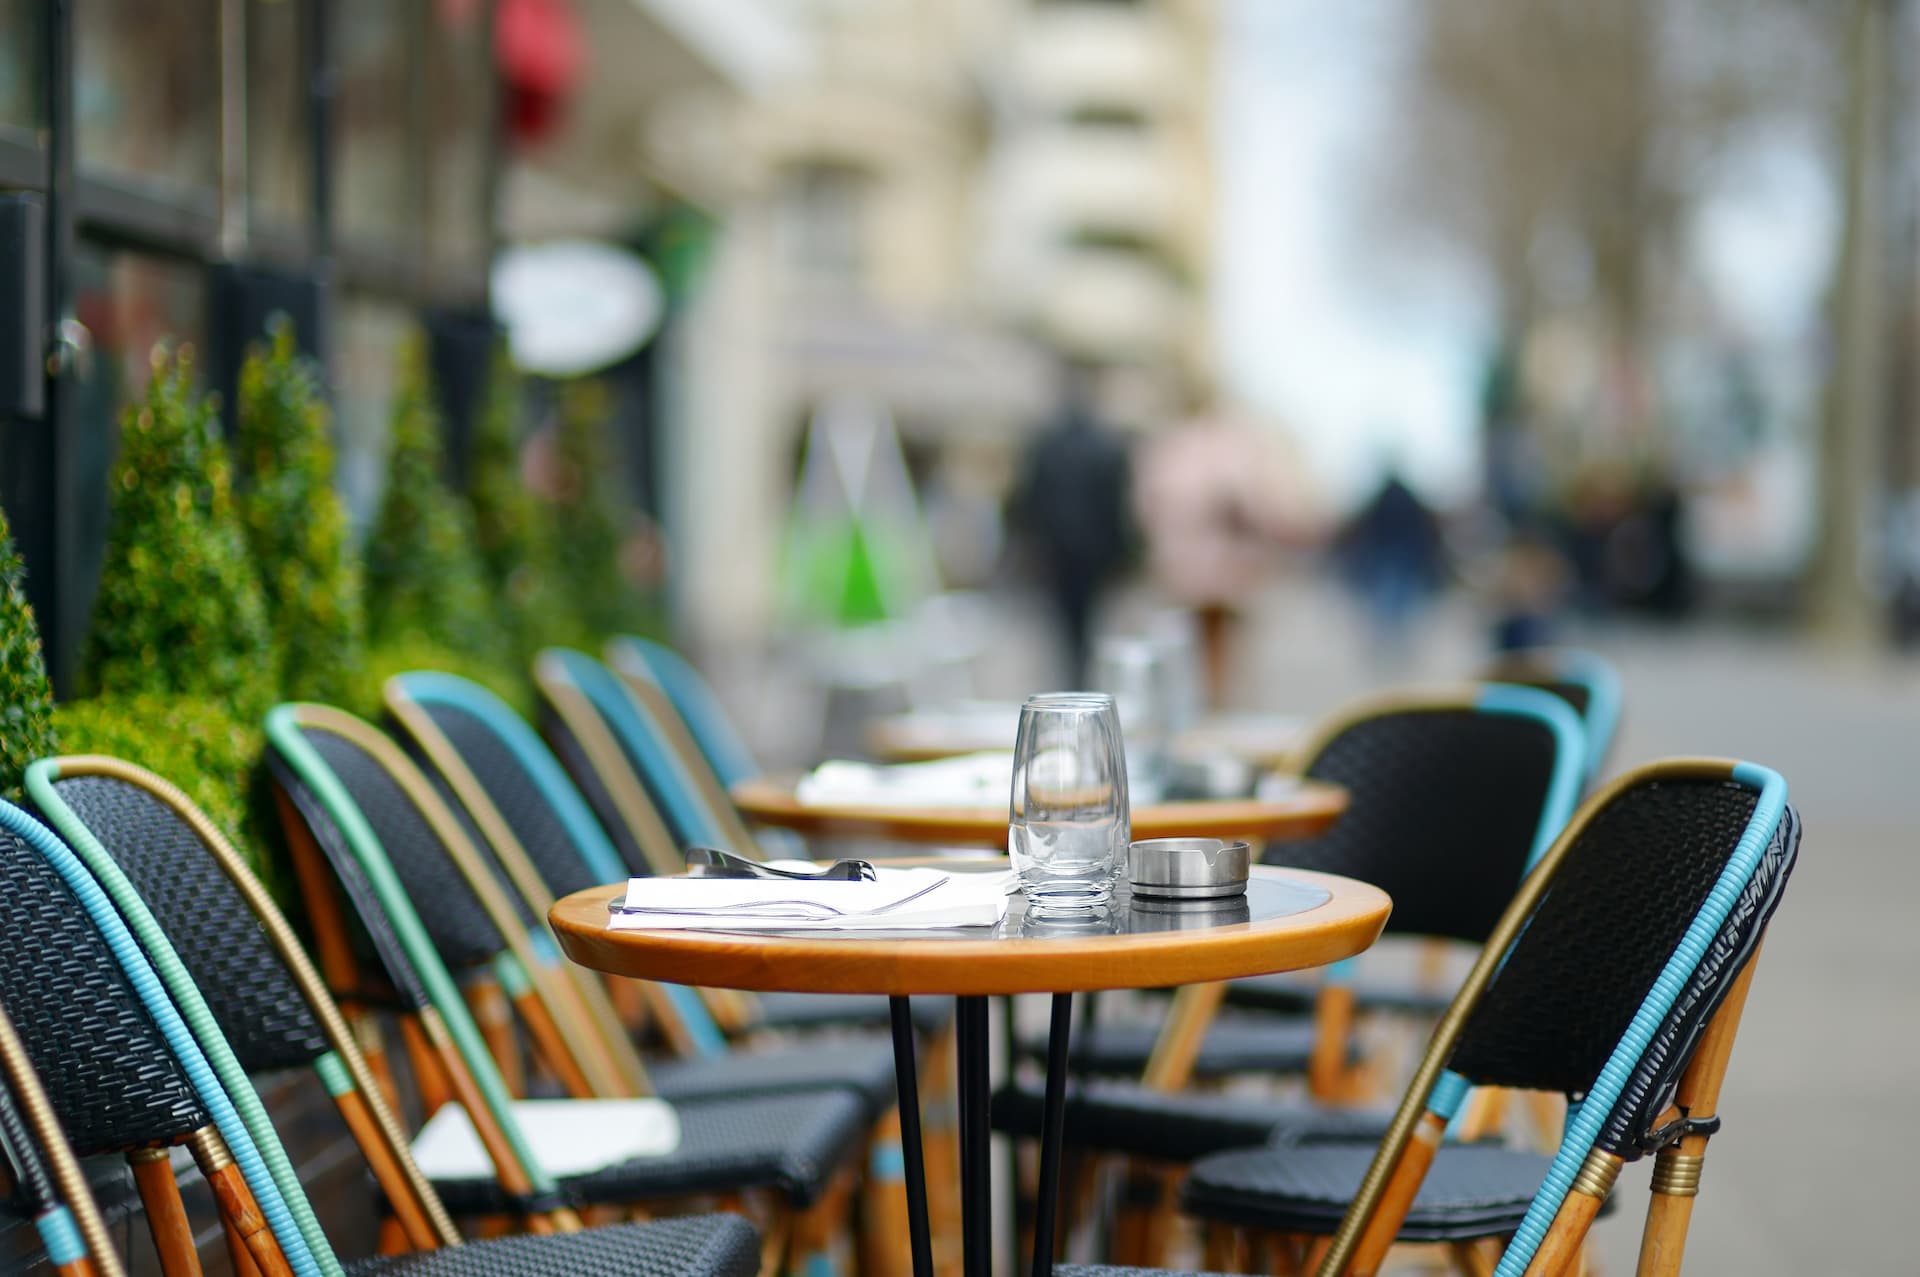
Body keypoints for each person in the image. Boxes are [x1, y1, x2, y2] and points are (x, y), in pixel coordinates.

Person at [1133, 411, 1292, 709]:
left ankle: (1205, 701)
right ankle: (1212, 700)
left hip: (1193, 563)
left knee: (1196, 637)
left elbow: (1148, 508)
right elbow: (1256, 506)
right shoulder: (1233, 449)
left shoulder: (1171, 449)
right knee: (1211, 639)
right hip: (1216, 562)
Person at [1009, 362, 1134, 686]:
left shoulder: (1047, 443)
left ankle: (1073, 678)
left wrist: (1030, 542)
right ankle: (1082, 678)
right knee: (1088, 621)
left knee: (1065, 624)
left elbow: (1030, 497)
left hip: (1058, 548)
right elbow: (1116, 503)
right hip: (1092, 549)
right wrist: (1121, 552)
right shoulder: (1105, 443)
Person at [1335, 466, 1447, 662]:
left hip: (1386, 554)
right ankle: (1399, 640)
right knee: (1402, 599)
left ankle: (1386, 640)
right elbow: (1425, 531)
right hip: (1407, 555)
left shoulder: (1381, 499)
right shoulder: (1409, 499)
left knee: (1386, 598)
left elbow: (1367, 530)